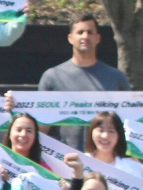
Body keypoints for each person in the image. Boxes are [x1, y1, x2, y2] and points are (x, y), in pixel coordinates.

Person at [38, 14, 132, 149]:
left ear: (98, 38)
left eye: (90, 32)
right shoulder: (52, 77)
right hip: (63, 159)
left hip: (104, 160)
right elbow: (42, 126)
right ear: (70, 38)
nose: (85, 36)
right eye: (80, 32)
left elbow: (129, 122)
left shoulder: (117, 78)